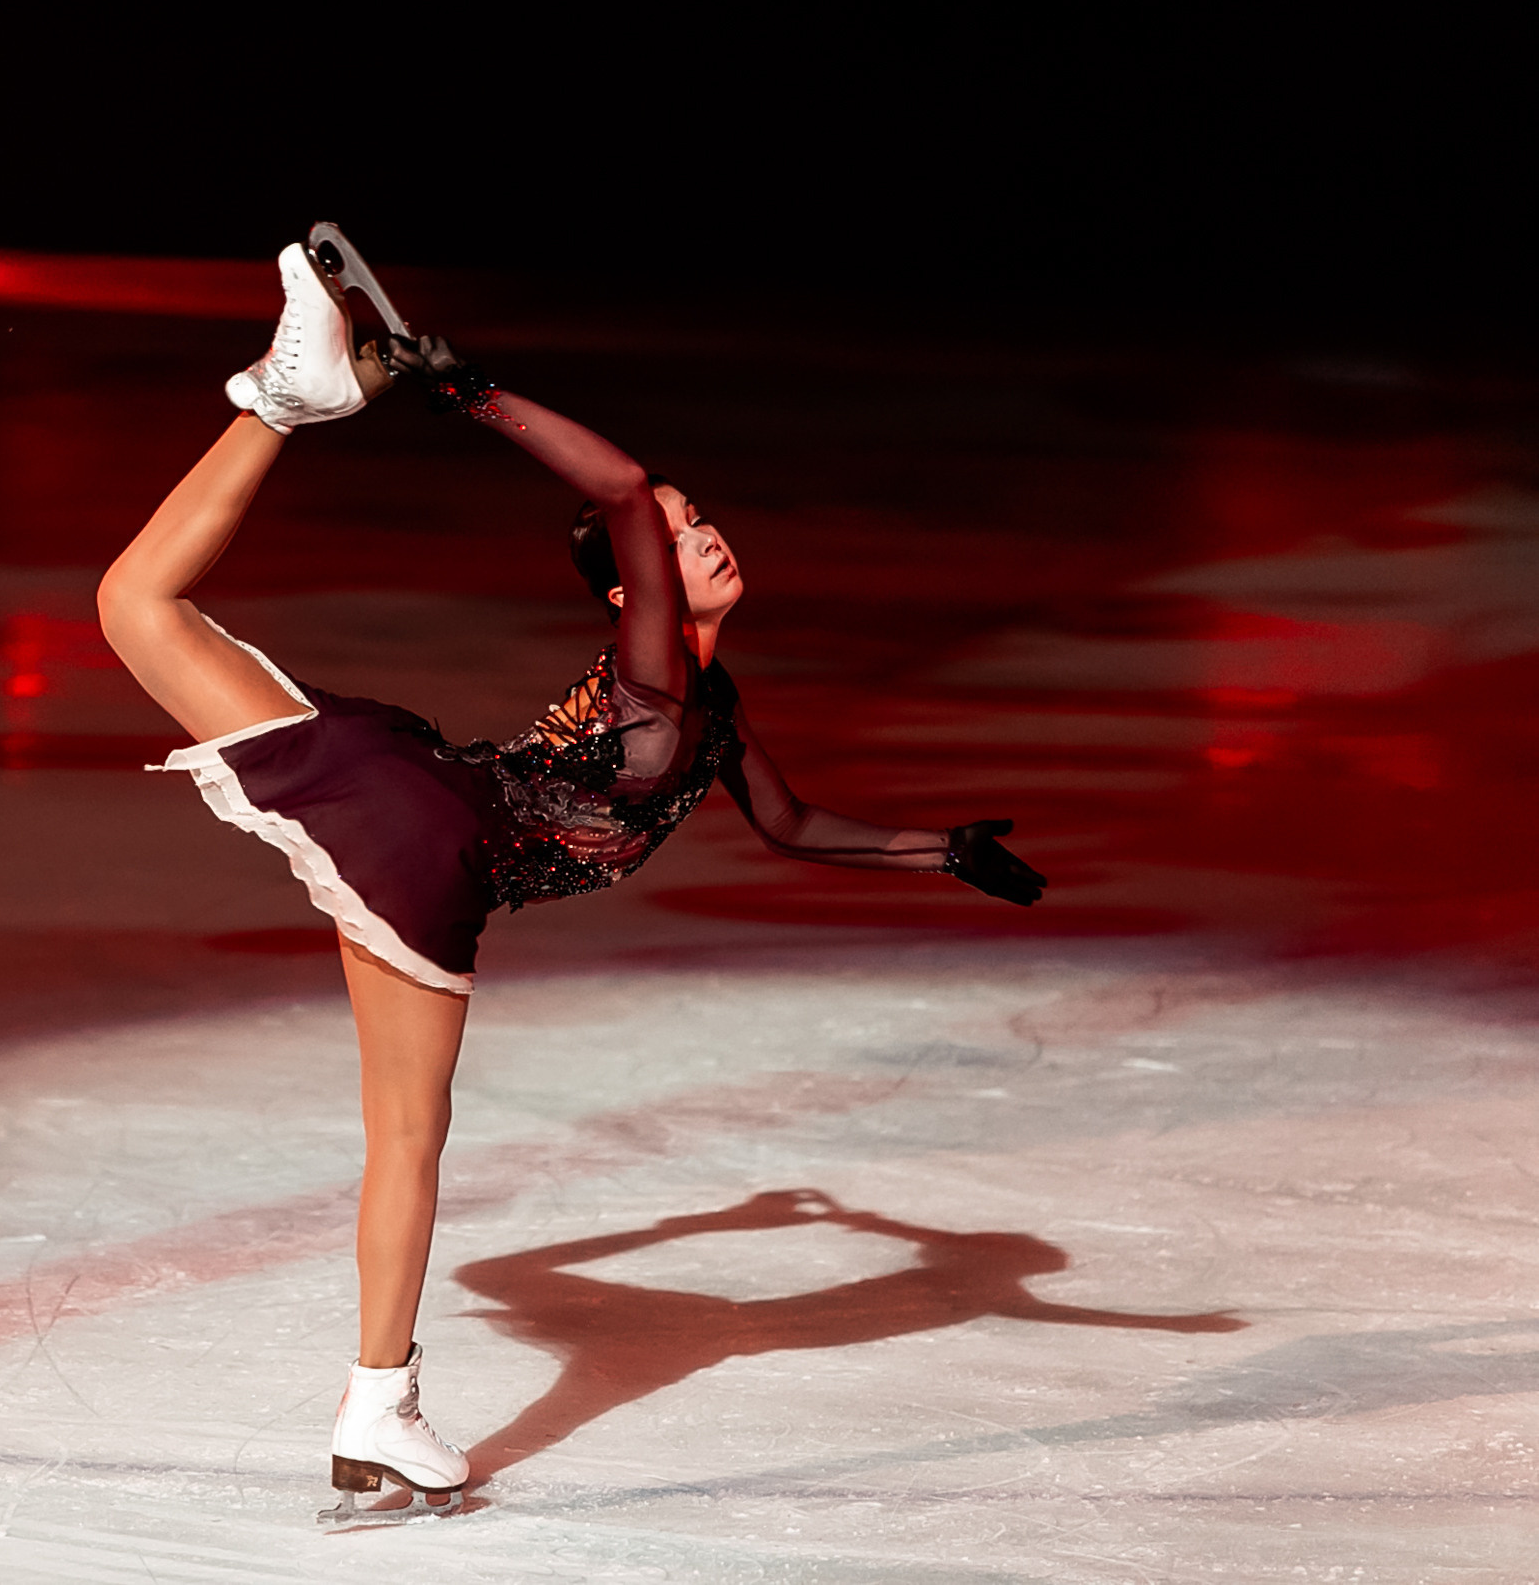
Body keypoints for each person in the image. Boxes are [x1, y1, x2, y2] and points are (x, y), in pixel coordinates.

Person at [95, 239, 1047, 1519]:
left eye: (701, 522)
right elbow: (621, 487)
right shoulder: (653, 667)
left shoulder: (706, 707)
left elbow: (790, 823)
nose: (701, 535)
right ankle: (380, 1403)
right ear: (626, 583)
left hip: (415, 799)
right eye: (679, 532)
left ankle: (280, 402)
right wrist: (468, 392)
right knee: (406, 1137)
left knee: (136, 603)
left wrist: (942, 849)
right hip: (433, 834)